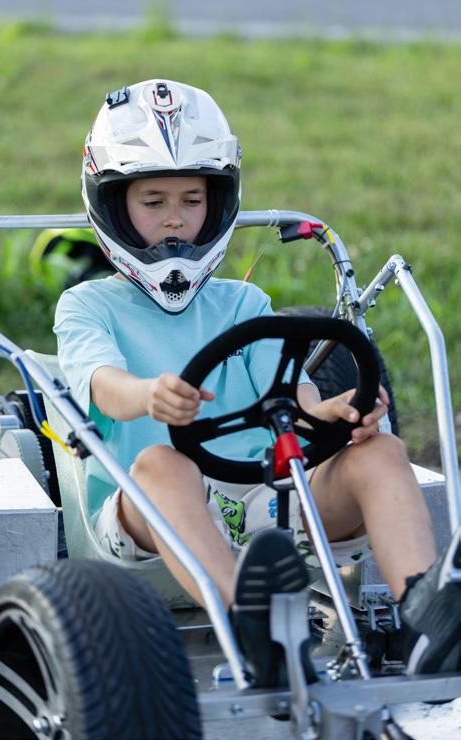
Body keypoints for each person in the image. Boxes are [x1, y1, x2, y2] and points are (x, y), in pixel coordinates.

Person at [54, 78, 461, 685]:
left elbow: (290, 395)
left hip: (257, 502)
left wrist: (334, 414)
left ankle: (426, 618)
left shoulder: (244, 303)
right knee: (164, 464)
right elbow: (103, 384)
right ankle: (252, 623)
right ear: (114, 206)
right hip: (137, 516)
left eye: (192, 200)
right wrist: (149, 395)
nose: (175, 218)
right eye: (153, 201)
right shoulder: (87, 306)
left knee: (381, 452)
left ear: (217, 203)